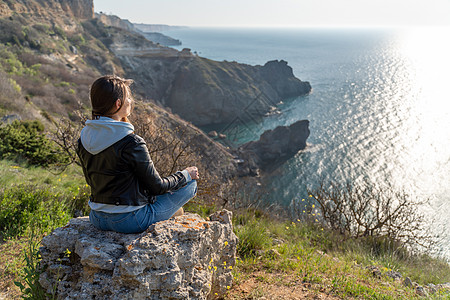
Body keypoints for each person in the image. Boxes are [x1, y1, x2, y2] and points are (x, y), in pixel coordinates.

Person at [76, 75, 199, 234]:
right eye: (128, 97)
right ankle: (170, 212)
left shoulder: (83, 139)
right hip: (131, 221)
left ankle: (169, 212)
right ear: (118, 104)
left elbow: (93, 180)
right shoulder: (130, 141)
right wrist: (186, 174)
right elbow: (157, 187)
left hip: (97, 218)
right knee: (191, 185)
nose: (131, 101)